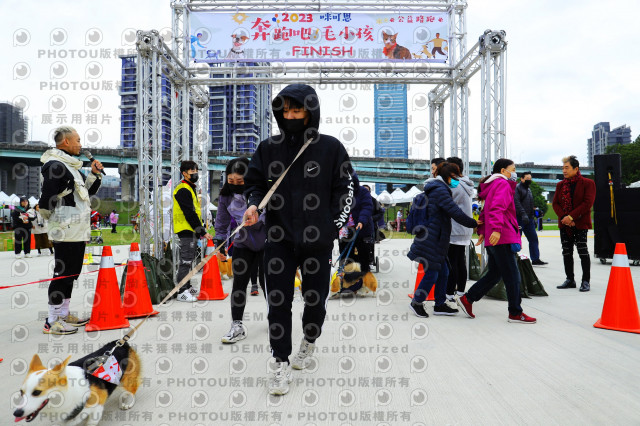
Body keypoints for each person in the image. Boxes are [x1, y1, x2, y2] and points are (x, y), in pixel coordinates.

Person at [243, 84, 353, 395]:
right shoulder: (268, 148)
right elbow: (254, 183)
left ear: (310, 111)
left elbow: (345, 190)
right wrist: (254, 204)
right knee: (278, 302)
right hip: (278, 239)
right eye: (285, 111)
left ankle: (310, 338)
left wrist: (332, 227)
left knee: (315, 301)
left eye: (297, 110)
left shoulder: (331, 148)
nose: (290, 116)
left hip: (318, 241)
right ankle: (280, 362)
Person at [39, 125, 103, 335]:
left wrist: (94, 174)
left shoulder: (71, 166)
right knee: (62, 275)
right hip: (65, 230)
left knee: (72, 274)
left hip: (76, 230)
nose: (80, 144)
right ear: (66, 142)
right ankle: (52, 320)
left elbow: (84, 194)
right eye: (77, 140)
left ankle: (64, 313)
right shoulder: (55, 165)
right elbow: (46, 200)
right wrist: (56, 223)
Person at [456, 159, 537, 324]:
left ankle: (468, 298)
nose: (514, 172)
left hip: (495, 235)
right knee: (512, 276)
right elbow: (496, 208)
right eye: (513, 169)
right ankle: (515, 312)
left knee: (495, 273)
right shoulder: (502, 184)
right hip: (502, 235)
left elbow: (486, 210)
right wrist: (496, 230)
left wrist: (483, 231)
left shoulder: (493, 184)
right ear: (503, 170)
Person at [408, 162, 477, 318]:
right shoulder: (440, 190)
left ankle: (439, 305)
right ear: (449, 176)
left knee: (444, 271)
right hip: (432, 238)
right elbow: (455, 212)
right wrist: (474, 223)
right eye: (456, 176)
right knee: (432, 273)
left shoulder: (439, 188)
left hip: (437, 238)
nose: (458, 179)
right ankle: (416, 302)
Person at [214, 157, 267, 344]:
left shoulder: (261, 191)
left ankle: (275, 316)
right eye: (231, 181)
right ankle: (236, 325)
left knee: (268, 283)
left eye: (240, 181)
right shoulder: (225, 196)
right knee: (239, 283)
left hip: (268, 241)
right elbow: (221, 222)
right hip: (242, 243)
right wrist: (219, 243)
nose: (235, 185)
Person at [552, 155, 596, 292]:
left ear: (576, 169)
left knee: (582, 251)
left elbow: (587, 203)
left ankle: (585, 281)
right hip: (564, 224)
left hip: (580, 223)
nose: (564, 171)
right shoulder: (560, 185)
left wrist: (571, 217)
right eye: (563, 168)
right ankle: (570, 279)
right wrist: (564, 218)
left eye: (567, 168)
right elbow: (555, 204)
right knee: (566, 252)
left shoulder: (588, 183)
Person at [173, 160, 213, 302]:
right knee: (185, 261)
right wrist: (202, 231)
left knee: (189, 260)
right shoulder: (183, 189)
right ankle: (181, 291)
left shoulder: (190, 188)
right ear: (184, 173)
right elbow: (189, 213)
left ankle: (187, 286)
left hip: (190, 229)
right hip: (185, 229)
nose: (195, 173)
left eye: (196, 171)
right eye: (192, 171)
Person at [445, 157, 475, 304]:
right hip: (465, 228)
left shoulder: (454, 184)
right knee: (460, 261)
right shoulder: (466, 183)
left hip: (455, 228)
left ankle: (450, 294)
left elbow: (447, 204)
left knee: (452, 262)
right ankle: (461, 292)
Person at [340, 173, 377, 293]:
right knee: (347, 259)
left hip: (362, 228)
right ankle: (349, 284)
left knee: (363, 259)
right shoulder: (339, 192)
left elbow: (367, 207)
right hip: (345, 231)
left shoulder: (363, 192)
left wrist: (362, 220)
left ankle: (365, 284)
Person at [514, 172, 548, 266]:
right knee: (516, 239)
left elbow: (530, 204)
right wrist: (523, 214)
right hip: (520, 218)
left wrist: (534, 213)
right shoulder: (517, 188)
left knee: (533, 239)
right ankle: (513, 259)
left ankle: (535, 259)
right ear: (522, 179)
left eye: (530, 178)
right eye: (527, 178)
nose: (529, 180)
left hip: (529, 219)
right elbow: (516, 203)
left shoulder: (528, 189)